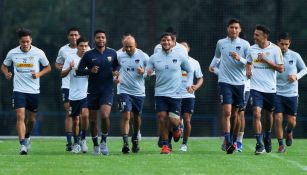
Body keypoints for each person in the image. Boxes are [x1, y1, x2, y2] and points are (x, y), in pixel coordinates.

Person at [1, 28, 51, 155]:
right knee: (20, 116)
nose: (25, 44)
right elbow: (4, 66)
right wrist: (7, 73)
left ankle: (27, 136)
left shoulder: (38, 52)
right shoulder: (12, 53)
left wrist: (38, 74)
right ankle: (22, 144)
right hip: (18, 90)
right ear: (19, 41)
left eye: (27, 41)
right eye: (23, 42)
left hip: (33, 91)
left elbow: (48, 67)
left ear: (31, 41)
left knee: (32, 119)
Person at [147, 32, 193, 154]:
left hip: (176, 94)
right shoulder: (154, 57)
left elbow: (189, 70)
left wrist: (188, 84)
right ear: (160, 42)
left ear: (173, 42)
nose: (166, 42)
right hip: (160, 94)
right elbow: (147, 74)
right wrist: (147, 73)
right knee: (162, 119)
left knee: (173, 121)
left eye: (168, 40)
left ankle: (177, 128)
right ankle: (166, 145)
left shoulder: (180, 56)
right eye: (163, 40)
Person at [76, 29, 119, 156]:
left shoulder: (112, 53)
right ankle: (95, 144)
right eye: (98, 37)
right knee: (93, 121)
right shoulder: (88, 55)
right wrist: (90, 70)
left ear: (106, 39)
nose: (101, 39)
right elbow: (78, 71)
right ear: (94, 40)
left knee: (105, 116)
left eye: (103, 37)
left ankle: (104, 141)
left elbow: (116, 65)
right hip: (92, 92)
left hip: (107, 90)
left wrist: (116, 72)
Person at [213, 19, 250, 154]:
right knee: (227, 112)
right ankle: (228, 141)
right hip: (224, 82)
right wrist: (213, 67)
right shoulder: (221, 43)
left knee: (236, 114)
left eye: (236, 28)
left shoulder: (245, 44)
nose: (233, 30)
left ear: (239, 30)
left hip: (240, 83)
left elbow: (250, 62)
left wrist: (239, 58)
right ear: (227, 29)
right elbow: (216, 57)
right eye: (231, 27)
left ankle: (234, 140)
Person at [246, 25, 284, 155]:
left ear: (265, 36)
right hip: (255, 88)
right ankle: (259, 143)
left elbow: (280, 69)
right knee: (256, 113)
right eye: (254, 34)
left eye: (257, 35)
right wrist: (248, 70)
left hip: (270, 89)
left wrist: (266, 60)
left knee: (269, 117)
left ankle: (267, 136)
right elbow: (248, 62)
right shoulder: (251, 49)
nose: (254, 37)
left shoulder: (275, 49)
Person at [274, 32, 307, 153]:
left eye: (286, 44)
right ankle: (281, 144)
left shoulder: (295, 55)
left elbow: (305, 69)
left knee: (292, 121)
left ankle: (288, 131)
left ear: (289, 44)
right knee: (278, 118)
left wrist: (296, 76)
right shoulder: (273, 55)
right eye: (281, 44)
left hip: (292, 93)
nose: (284, 47)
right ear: (278, 43)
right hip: (277, 92)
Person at [116, 35, 149, 153]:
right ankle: (125, 143)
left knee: (136, 117)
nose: (128, 49)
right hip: (124, 90)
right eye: (126, 47)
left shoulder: (143, 56)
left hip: (139, 92)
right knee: (126, 115)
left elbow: (151, 71)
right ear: (123, 46)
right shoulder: (119, 56)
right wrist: (115, 77)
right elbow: (114, 69)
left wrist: (143, 72)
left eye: (130, 46)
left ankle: (135, 138)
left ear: (135, 45)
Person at [61, 37, 90, 153]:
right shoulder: (70, 58)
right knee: (75, 120)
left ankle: (83, 139)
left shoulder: (90, 58)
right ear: (77, 46)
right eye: (81, 46)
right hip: (73, 95)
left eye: (85, 46)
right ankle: (76, 143)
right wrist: (70, 67)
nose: (83, 48)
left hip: (86, 93)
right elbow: (62, 74)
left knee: (85, 115)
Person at [55, 27, 80, 151]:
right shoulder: (63, 50)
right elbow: (57, 63)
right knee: (70, 113)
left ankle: (79, 140)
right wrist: (60, 67)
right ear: (68, 36)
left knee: (80, 115)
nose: (74, 37)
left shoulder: (85, 49)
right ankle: (70, 143)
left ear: (79, 36)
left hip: (81, 87)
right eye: (71, 35)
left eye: (76, 35)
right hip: (67, 85)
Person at [178, 41, 203, 152]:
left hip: (188, 95)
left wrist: (195, 87)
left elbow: (200, 78)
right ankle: (177, 129)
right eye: (180, 48)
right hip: (174, 94)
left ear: (188, 49)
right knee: (174, 121)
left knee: (187, 120)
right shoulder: (174, 61)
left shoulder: (194, 62)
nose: (182, 50)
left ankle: (184, 144)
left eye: (184, 48)